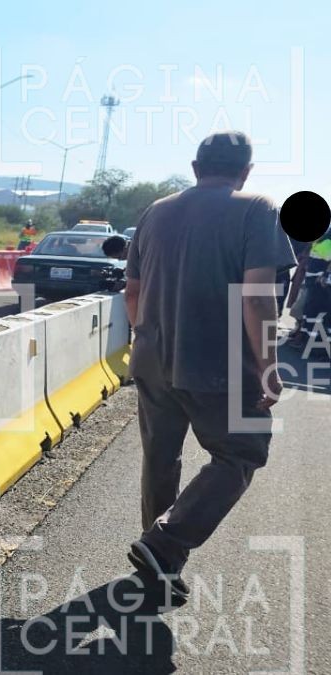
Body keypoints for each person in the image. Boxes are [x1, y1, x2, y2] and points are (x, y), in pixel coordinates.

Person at [123, 131, 295, 600]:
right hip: (220, 364)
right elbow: (257, 297)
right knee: (243, 451)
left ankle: (158, 565)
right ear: (246, 171)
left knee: (161, 458)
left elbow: (132, 292)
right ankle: (165, 544)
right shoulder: (257, 208)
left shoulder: (155, 211)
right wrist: (268, 366)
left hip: (152, 358)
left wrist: (149, 338)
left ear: (196, 168)